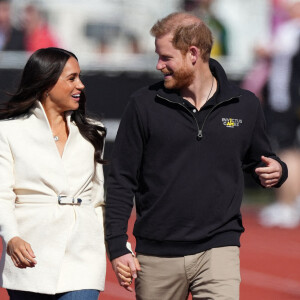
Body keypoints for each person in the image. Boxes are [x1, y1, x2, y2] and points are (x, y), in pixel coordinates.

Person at [105, 12, 288, 299]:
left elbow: (261, 160)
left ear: (193, 53)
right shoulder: (142, 104)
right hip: (156, 254)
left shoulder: (245, 105)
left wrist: (277, 170)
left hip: (219, 248)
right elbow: (120, 180)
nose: (158, 65)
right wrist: (117, 244)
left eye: (166, 57)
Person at [0, 47, 111, 300]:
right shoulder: (8, 132)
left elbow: (97, 199)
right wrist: (12, 237)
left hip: (84, 256)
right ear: (46, 83)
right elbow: (2, 195)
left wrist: (113, 247)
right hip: (29, 256)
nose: (81, 85)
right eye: (72, 78)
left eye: (80, 77)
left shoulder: (94, 132)